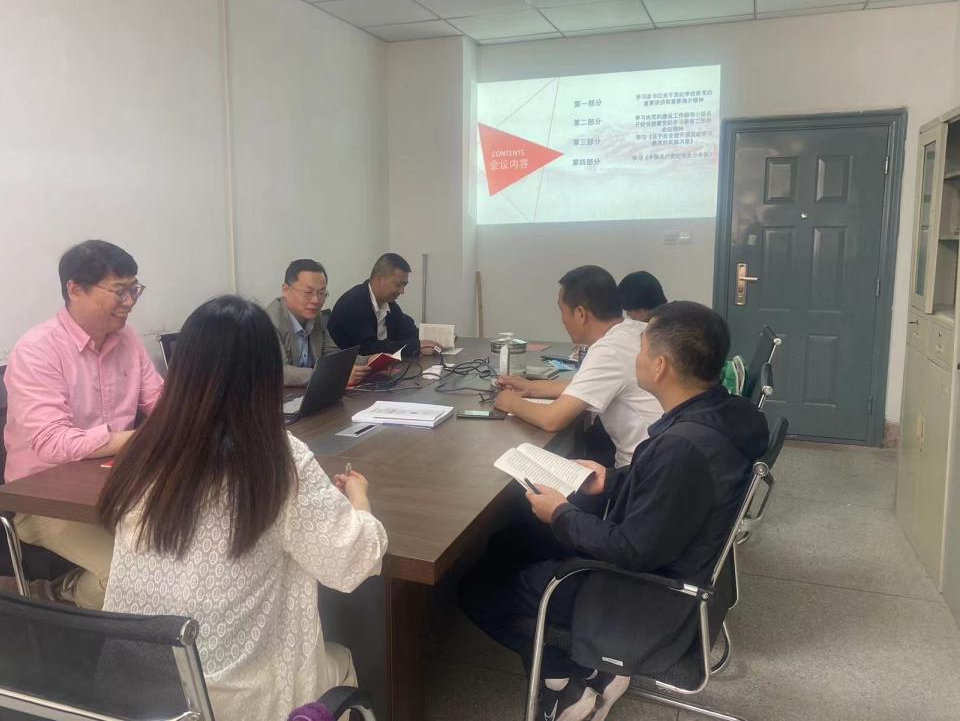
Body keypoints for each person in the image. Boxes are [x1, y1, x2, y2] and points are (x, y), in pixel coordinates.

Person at [462, 302, 770, 721]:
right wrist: (611, 479)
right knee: (511, 541)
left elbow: (631, 550)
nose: (636, 358)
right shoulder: (724, 415)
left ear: (659, 367)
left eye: (641, 350)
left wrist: (560, 514)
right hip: (672, 561)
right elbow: (672, 492)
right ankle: (586, 665)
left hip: (641, 593)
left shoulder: (681, 448)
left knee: (477, 588)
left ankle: (563, 681)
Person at [99, 295, 387, 721]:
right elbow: (352, 562)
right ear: (266, 376)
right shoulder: (276, 458)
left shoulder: (144, 449)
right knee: (340, 658)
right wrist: (360, 500)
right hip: (231, 699)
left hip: (133, 690)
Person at [3, 240, 162, 609]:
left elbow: (160, 402)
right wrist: (142, 438)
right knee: (129, 577)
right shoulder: (37, 350)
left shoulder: (128, 340)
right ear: (75, 290)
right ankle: (64, 596)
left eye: (134, 289)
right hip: (45, 501)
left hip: (114, 486)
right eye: (119, 291)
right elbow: (53, 442)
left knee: (180, 551)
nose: (130, 302)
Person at [494, 265, 663, 468]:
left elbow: (553, 419)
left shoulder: (608, 350)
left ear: (581, 314)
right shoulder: (634, 330)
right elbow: (584, 386)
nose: (562, 320)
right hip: (662, 461)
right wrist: (530, 387)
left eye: (562, 310)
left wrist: (511, 402)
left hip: (639, 471)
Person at [265, 258, 369, 387]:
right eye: (308, 292)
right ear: (286, 290)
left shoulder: (316, 317)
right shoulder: (268, 322)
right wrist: (334, 375)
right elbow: (280, 372)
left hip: (310, 393)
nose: (316, 300)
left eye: (322, 293)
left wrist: (368, 360)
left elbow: (331, 355)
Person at [327, 253, 440, 357]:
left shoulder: (388, 303)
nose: (402, 291)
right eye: (398, 285)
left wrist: (437, 337)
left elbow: (407, 330)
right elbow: (367, 349)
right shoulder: (353, 303)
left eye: (404, 285)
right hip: (351, 368)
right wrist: (416, 346)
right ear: (379, 279)